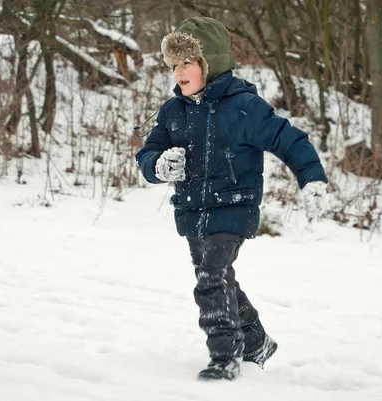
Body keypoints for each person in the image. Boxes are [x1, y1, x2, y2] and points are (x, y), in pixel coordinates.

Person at [135, 17, 329, 381]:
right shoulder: (172, 112)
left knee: (210, 279)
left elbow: (290, 140)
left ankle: (225, 357)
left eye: (187, 62)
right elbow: (148, 154)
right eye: (173, 64)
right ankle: (257, 342)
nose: (178, 71)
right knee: (220, 280)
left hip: (234, 207)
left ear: (210, 63)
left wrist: (312, 179)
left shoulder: (244, 108)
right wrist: (157, 165)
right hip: (193, 212)